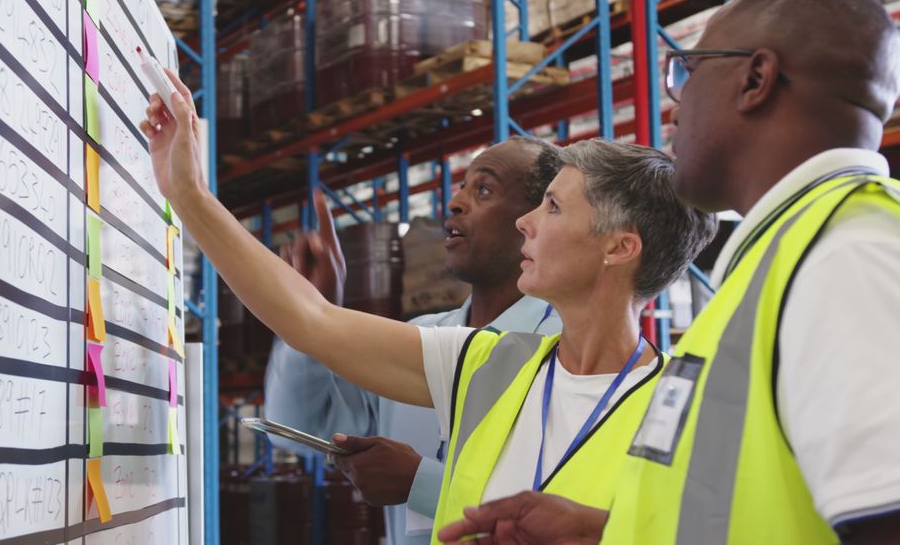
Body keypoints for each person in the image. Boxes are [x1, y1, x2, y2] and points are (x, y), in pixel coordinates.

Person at [138, 71, 716, 539]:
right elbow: (310, 320)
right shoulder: (489, 361)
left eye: (555, 210)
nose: (526, 222)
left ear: (620, 247)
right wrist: (188, 194)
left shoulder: (681, 414)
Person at [436, 0, 900, 543]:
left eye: (688, 71)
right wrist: (608, 534)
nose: (674, 106)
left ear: (756, 79)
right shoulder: (791, 254)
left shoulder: (847, 258)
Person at [264, 138, 564, 545]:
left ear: (533, 222)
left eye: (484, 190)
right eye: (461, 186)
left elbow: (568, 513)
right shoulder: (417, 340)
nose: (455, 202)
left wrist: (420, 483)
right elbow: (292, 429)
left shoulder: (566, 353)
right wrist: (308, 315)